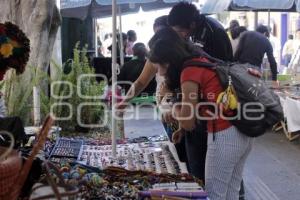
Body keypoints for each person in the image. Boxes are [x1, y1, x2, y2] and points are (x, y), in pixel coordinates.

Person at [148, 27, 253, 200]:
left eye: (160, 65)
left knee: (214, 194)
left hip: (224, 135)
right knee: (231, 192)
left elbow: (189, 121)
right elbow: (197, 106)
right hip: (242, 131)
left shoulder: (189, 71)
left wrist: (172, 102)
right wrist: (181, 128)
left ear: (170, 60)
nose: (159, 72)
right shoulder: (199, 59)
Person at [168, 2, 233, 61]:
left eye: (181, 31)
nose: (180, 35)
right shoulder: (200, 25)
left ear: (192, 25)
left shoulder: (212, 31)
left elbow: (223, 63)